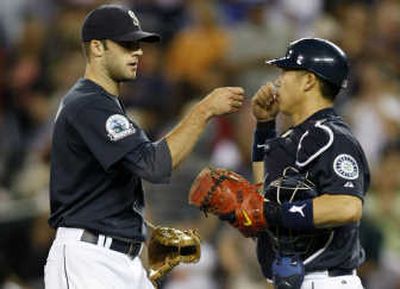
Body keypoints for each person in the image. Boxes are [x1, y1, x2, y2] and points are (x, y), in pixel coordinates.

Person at [44, 4, 244, 289]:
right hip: (88, 261)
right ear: (97, 48)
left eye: (138, 44)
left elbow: (102, 190)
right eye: (126, 44)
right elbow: (154, 165)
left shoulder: (103, 103)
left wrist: (144, 233)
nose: (137, 51)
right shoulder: (88, 104)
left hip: (119, 258)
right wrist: (204, 110)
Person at [250, 38, 370, 289]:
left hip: (326, 280)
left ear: (308, 80)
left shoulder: (331, 136)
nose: (278, 80)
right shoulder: (295, 137)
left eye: (286, 71)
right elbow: (266, 192)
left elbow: (347, 206)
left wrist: (276, 214)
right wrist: (264, 127)